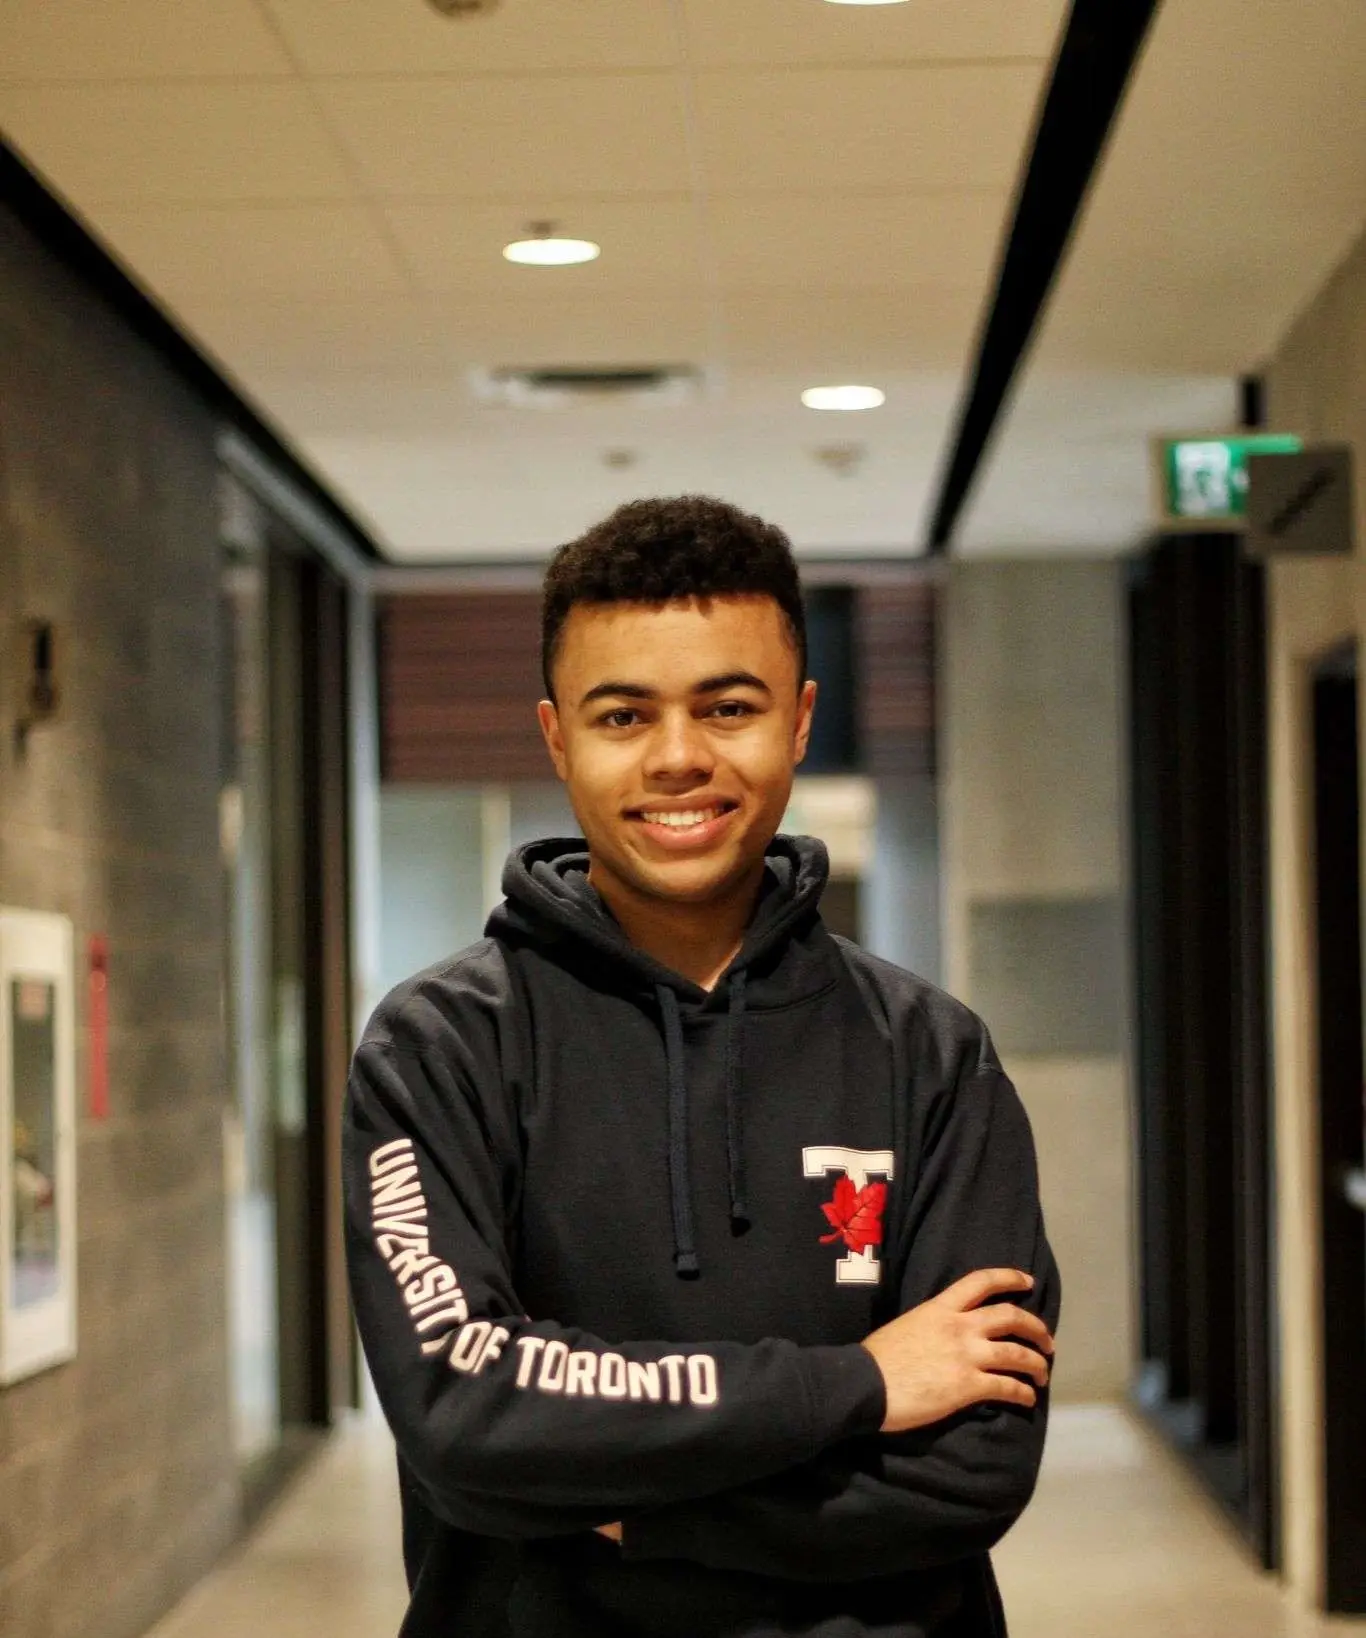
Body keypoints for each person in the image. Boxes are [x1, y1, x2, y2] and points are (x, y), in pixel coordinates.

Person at [344, 494, 1061, 1638]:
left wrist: (638, 1514)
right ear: (555, 736)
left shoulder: (930, 1055)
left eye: (727, 707)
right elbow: (462, 1419)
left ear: (798, 719)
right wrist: (860, 1385)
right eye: (622, 715)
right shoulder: (439, 1048)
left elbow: (970, 1469)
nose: (678, 759)